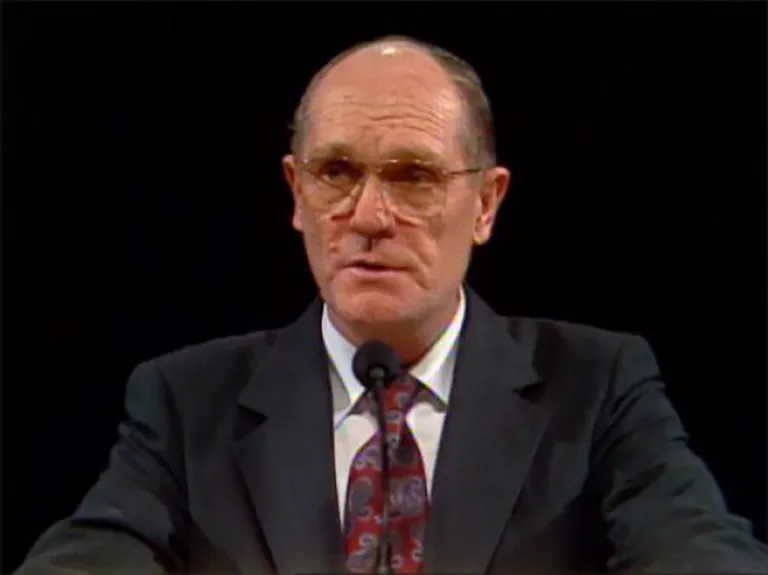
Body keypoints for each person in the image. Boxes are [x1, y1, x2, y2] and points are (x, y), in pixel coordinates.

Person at [16, 36, 768, 575]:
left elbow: (696, 548)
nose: (369, 215)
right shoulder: (187, 401)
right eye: (337, 172)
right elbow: (95, 552)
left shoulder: (597, 386)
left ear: (486, 203)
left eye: (413, 177)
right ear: (296, 194)